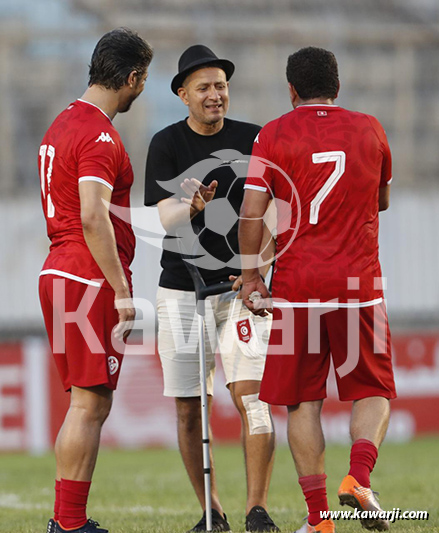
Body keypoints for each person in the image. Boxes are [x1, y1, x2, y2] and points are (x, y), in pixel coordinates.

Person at [239, 46, 396, 533]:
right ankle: (361, 478)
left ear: (291, 91)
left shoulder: (274, 133)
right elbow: (382, 198)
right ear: (338, 86)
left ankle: (318, 519)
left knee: (303, 402)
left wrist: (249, 276)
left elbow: (251, 213)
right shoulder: (369, 127)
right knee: (372, 389)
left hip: (297, 286)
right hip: (357, 284)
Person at [144, 45, 279, 533]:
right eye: (203, 87)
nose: (215, 94)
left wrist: (257, 272)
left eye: (220, 85)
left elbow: (272, 214)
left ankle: (258, 509)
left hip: (242, 290)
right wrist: (194, 206)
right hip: (182, 289)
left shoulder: (255, 137)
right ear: (183, 95)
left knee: (254, 398)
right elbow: (163, 217)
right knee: (188, 406)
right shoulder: (165, 143)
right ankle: (212, 511)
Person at [38, 28, 153, 533]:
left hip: (59, 269)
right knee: (88, 403)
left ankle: (68, 521)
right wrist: (123, 292)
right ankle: (67, 523)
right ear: (131, 77)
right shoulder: (100, 134)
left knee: (89, 402)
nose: (140, 89)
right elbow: (92, 216)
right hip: (88, 278)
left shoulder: (62, 123)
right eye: (142, 80)